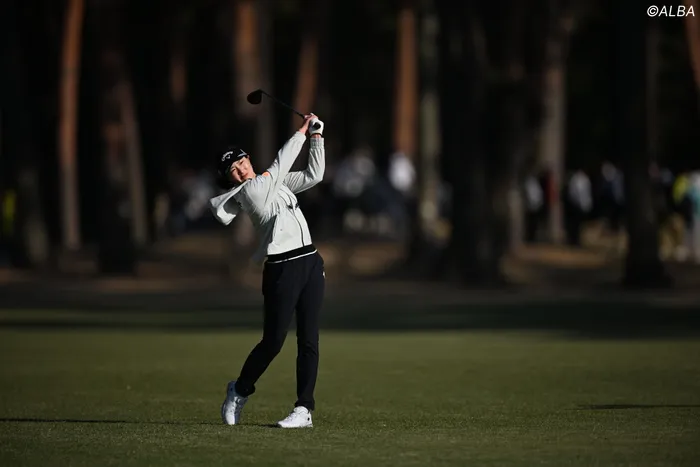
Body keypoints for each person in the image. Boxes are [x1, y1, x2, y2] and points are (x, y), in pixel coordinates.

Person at [208, 114, 326, 429]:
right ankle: (240, 389)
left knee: (309, 340)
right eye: (234, 170)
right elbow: (280, 163)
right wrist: (301, 131)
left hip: (310, 261)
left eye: (242, 162)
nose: (241, 169)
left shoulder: (274, 183)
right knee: (273, 342)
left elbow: (314, 175)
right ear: (230, 179)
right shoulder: (251, 192)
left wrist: (317, 138)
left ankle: (304, 409)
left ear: (248, 158)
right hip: (281, 268)